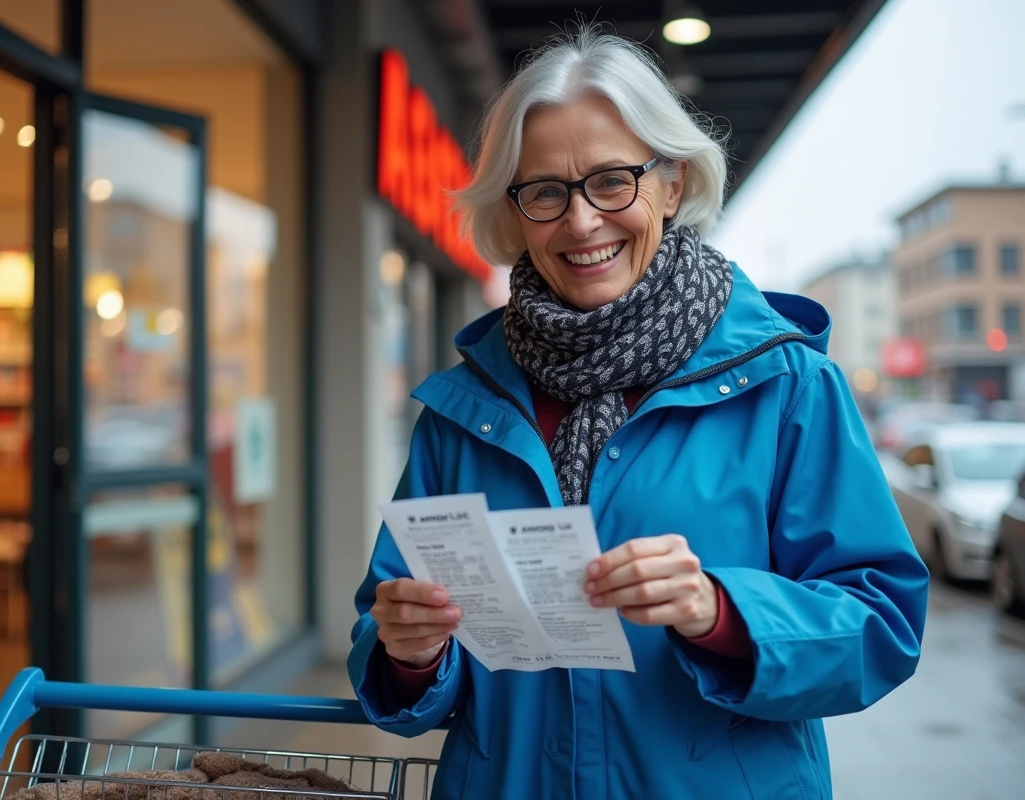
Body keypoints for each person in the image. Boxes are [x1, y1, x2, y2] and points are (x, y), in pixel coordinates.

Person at [348, 29, 929, 799]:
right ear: (516, 212)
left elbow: (882, 624)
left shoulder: (788, 384)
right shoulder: (463, 408)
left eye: (613, 180)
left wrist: (720, 611)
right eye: (546, 191)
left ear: (672, 183)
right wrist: (408, 652)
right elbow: (385, 636)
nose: (582, 222)